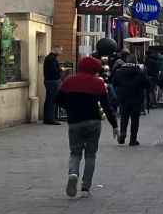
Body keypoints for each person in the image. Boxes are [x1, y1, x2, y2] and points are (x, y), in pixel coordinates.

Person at [56, 56, 118, 197]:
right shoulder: (97, 83)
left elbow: (58, 99)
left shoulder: (69, 80)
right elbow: (107, 106)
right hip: (93, 121)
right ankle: (86, 187)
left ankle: (73, 173)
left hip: (75, 121)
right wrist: (114, 125)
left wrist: (70, 107)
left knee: (75, 152)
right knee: (90, 154)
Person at [111, 54, 150, 146]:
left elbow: (114, 82)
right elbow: (148, 84)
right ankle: (133, 139)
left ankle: (123, 132)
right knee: (135, 119)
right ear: (135, 61)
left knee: (124, 116)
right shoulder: (140, 72)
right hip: (136, 98)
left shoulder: (119, 71)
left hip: (123, 97)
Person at [42, 46, 63, 125]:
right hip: (53, 81)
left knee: (48, 99)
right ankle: (51, 118)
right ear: (56, 50)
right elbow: (54, 70)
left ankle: (46, 118)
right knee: (53, 100)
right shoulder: (52, 58)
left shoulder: (49, 58)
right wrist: (61, 70)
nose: (61, 52)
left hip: (48, 80)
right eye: (60, 50)